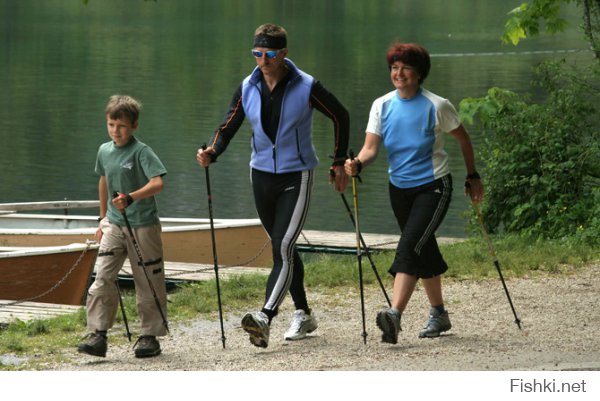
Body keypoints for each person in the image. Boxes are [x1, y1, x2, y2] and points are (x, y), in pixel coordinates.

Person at [197, 23, 349, 348]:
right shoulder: (247, 86)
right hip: (261, 176)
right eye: (257, 53)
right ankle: (304, 313)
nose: (262, 61)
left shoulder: (306, 86)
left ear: (283, 54)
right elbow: (227, 126)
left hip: (297, 175)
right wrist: (213, 151)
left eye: (268, 54)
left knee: (282, 247)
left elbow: (341, 116)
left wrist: (338, 162)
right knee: (284, 248)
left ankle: (265, 316)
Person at [344, 41, 484, 344]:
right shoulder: (381, 105)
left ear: (419, 73)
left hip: (434, 186)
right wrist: (357, 164)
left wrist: (472, 175)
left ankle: (394, 315)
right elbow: (370, 149)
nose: (399, 73)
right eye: (395, 68)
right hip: (399, 189)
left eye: (406, 67)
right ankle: (439, 314)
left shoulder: (437, 105)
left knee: (409, 246)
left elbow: (463, 139)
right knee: (423, 247)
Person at [78, 95, 168, 358]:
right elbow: (104, 181)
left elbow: (158, 183)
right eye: (111, 125)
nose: (116, 131)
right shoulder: (104, 150)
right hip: (115, 224)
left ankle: (149, 337)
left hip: (143, 226)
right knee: (102, 276)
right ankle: (98, 335)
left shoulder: (142, 151)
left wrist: (131, 197)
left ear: (134, 126)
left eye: (122, 126)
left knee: (147, 281)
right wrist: (102, 218)